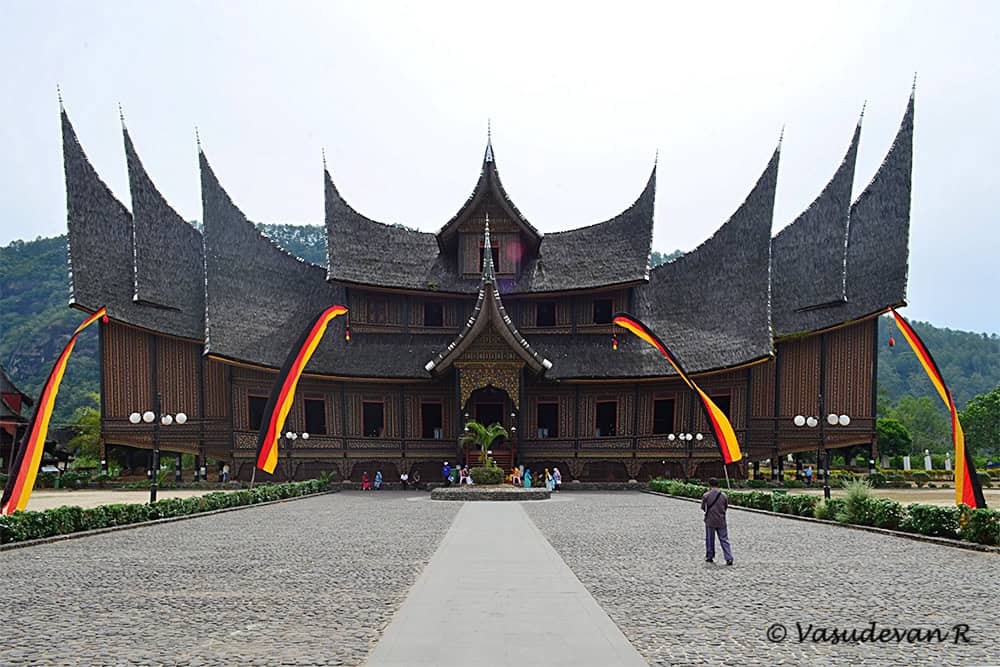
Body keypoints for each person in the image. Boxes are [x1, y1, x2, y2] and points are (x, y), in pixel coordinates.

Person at [701, 478, 733, 565]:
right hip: (721, 520)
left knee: (710, 539)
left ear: (709, 485)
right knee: (724, 539)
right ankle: (729, 557)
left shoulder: (706, 495)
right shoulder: (724, 495)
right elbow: (725, 507)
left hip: (710, 520)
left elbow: (703, 507)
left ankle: (710, 556)